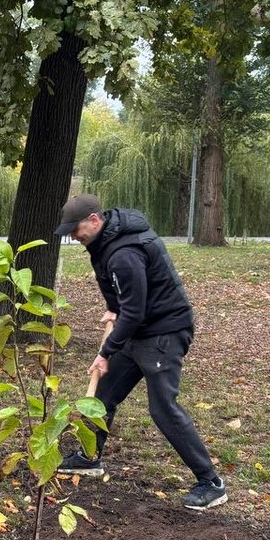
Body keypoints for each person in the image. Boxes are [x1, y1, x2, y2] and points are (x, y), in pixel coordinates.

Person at [53, 194, 227, 511]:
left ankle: (210, 482)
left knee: (163, 408)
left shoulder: (124, 253)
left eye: (75, 230)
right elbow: (124, 296)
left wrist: (106, 352)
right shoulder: (104, 243)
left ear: (94, 220)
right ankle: (89, 458)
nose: (73, 237)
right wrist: (113, 308)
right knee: (103, 394)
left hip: (163, 332)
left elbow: (134, 310)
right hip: (139, 328)